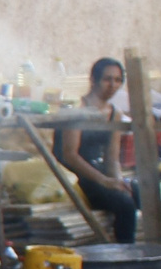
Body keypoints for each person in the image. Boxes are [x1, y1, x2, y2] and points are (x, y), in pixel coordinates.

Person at [55, 57, 138, 242]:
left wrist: (118, 181)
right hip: (74, 174)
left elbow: (112, 158)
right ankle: (124, 255)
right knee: (124, 204)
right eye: (107, 79)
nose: (112, 85)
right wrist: (105, 181)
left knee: (138, 192)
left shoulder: (114, 113)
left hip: (97, 171)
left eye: (117, 80)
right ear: (94, 80)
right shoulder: (78, 107)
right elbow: (70, 155)